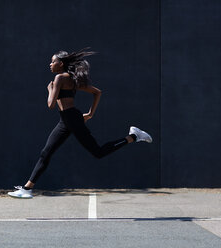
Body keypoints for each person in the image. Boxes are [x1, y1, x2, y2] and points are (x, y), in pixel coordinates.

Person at [8, 47, 152, 198]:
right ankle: (27, 189)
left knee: (98, 152)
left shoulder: (59, 79)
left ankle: (134, 136)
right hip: (66, 119)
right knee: (46, 153)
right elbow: (98, 92)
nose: (50, 64)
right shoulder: (71, 79)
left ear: (61, 63)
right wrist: (90, 113)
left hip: (71, 119)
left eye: (52, 61)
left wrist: (50, 90)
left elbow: (50, 105)